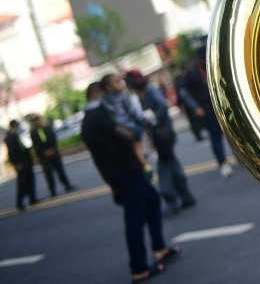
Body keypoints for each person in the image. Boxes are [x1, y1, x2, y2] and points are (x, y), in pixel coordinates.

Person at [81, 82, 180, 282]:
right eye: (115, 83)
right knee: (134, 218)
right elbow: (127, 133)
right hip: (125, 171)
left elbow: (96, 158)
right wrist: (136, 128)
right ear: (99, 93)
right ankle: (139, 268)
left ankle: (159, 248)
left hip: (119, 171)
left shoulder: (87, 121)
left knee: (152, 200)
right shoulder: (100, 115)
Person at [125, 70, 196, 215]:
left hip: (162, 133)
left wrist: (154, 120)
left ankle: (171, 199)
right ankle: (185, 196)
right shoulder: (144, 92)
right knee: (172, 164)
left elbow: (163, 105)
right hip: (161, 133)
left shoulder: (148, 91)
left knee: (164, 167)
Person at [177, 40, 233, 178]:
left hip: (222, 105)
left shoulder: (215, 66)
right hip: (206, 109)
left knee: (232, 134)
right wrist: (195, 107)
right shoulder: (191, 74)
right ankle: (223, 163)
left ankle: (241, 158)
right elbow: (185, 93)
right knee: (215, 137)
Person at [100, 74, 154, 178]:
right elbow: (133, 110)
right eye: (117, 82)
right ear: (109, 87)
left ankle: (142, 159)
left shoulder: (104, 100)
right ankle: (145, 165)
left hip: (120, 128)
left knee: (134, 147)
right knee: (137, 144)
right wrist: (143, 120)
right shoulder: (125, 95)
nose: (121, 83)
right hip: (131, 125)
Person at [28, 113, 75, 197]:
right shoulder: (33, 133)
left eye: (38, 120)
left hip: (54, 153)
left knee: (60, 170)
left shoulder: (47, 128)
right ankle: (52, 190)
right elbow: (36, 145)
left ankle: (67, 185)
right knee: (48, 174)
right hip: (44, 156)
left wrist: (52, 149)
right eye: (35, 121)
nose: (37, 122)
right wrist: (44, 152)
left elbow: (54, 138)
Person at [4, 119, 37, 211]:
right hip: (20, 162)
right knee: (22, 183)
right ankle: (20, 203)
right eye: (17, 126)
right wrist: (16, 163)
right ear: (13, 126)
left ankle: (32, 198)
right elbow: (12, 153)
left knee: (30, 179)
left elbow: (24, 147)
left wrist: (30, 158)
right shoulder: (9, 137)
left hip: (26, 161)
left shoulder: (17, 135)